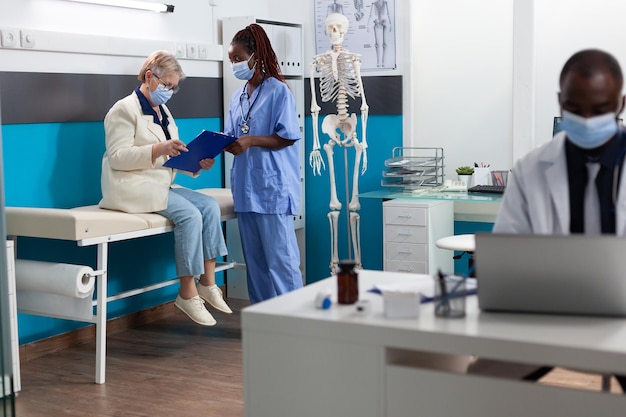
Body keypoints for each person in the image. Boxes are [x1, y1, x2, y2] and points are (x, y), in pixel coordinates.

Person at [474, 48, 626, 390]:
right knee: (480, 386)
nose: (587, 119)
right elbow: (506, 254)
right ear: (560, 101)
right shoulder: (531, 169)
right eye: (575, 108)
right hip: (546, 318)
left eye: (600, 110)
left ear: (621, 104)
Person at [100, 50, 232, 326]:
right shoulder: (123, 109)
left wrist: (196, 162)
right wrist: (158, 148)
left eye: (173, 87)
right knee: (190, 215)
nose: (170, 91)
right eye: (167, 85)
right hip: (131, 186)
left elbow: (170, 156)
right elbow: (117, 157)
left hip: (158, 182)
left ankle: (209, 282)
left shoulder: (164, 112)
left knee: (208, 207)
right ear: (150, 76)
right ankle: (187, 292)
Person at [223, 24, 303, 303]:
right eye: (231, 60)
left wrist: (251, 141)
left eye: (238, 58)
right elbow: (233, 136)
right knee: (255, 265)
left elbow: (288, 137)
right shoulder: (237, 97)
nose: (235, 64)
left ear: (255, 56)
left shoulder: (278, 91)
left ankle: (294, 319)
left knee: (280, 261)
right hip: (245, 189)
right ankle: (263, 320)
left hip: (272, 189)